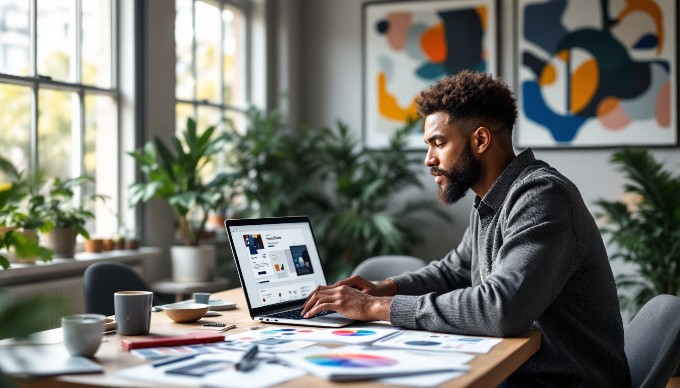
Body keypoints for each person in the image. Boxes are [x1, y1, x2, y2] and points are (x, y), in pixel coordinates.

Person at [301, 70, 630, 386]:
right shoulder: (490, 200)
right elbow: (452, 272)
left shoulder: (542, 196)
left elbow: (501, 309)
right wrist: (382, 288)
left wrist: (374, 308)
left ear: (481, 140)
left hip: (567, 381)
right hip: (524, 373)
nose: (429, 159)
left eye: (439, 143)